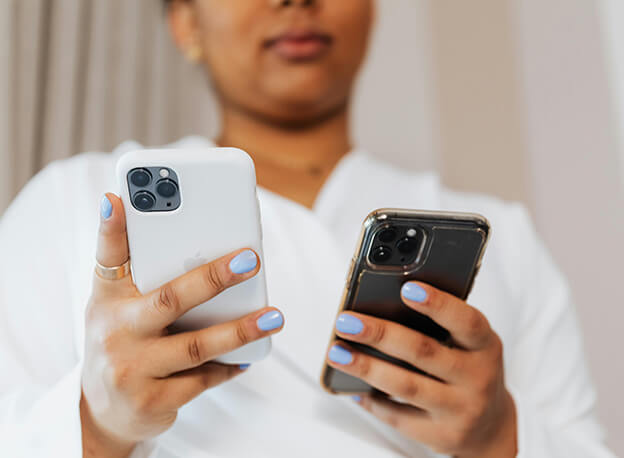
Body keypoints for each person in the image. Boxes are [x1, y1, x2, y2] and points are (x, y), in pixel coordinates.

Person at [0, 1, 615, 457]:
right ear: (186, 23)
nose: (296, 0)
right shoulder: (75, 201)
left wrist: (501, 436)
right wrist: (97, 424)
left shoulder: (503, 237)